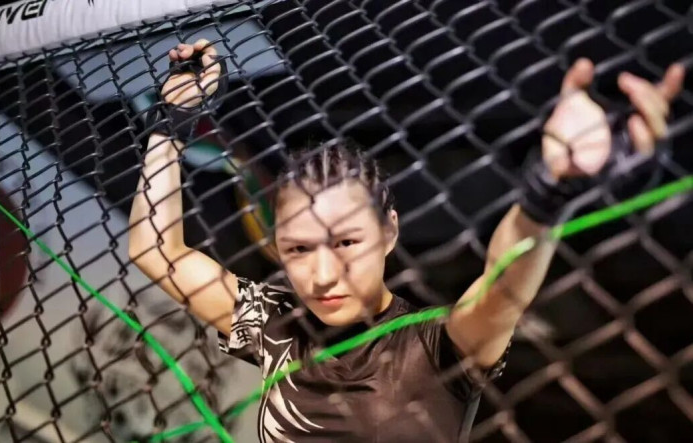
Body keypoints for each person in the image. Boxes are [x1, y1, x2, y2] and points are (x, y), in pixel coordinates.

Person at [128, 39, 685, 442]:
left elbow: (501, 289)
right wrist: (171, 124)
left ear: (389, 231)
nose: (322, 275)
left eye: (346, 243)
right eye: (298, 248)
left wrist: (547, 192)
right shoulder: (275, 325)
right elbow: (157, 251)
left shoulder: (433, 346)